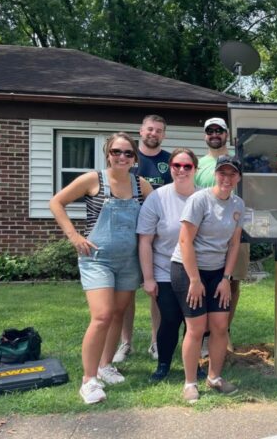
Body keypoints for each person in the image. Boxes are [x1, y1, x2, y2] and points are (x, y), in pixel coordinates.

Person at [49, 132, 153, 404]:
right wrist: (74, 236)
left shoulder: (141, 185)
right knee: (102, 316)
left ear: (134, 157)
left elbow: (158, 214)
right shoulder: (93, 180)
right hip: (97, 260)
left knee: (118, 313)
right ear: (108, 154)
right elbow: (56, 202)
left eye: (128, 153)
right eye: (116, 152)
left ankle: (106, 365)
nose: (122, 157)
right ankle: (89, 380)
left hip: (128, 261)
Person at [171, 155, 244, 402]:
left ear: (238, 178)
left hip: (217, 272)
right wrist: (194, 279)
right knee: (196, 328)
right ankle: (190, 382)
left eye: (232, 174)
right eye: (222, 173)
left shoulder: (238, 205)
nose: (226, 178)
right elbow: (184, 240)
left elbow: (234, 244)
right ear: (215, 174)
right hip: (188, 269)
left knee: (220, 326)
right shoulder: (199, 200)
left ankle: (214, 378)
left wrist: (226, 278)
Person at [136, 148, 200, 382]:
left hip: (196, 272)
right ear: (170, 168)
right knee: (170, 319)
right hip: (165, 270)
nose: (181, 170)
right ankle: (163, 364)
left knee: (193, 322)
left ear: (195, 169)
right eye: (176, 166)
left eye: (187, 166)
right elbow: (145, 240)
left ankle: (194, 366)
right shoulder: (157, 198)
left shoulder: (203, 197)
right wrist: (149, 277)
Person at [114, 114, 172, 363]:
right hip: (127, 234)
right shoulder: (127, 158)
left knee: (155, 291)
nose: (154, 134)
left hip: (157, 236)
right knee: (126, 293)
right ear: (141, 131)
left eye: (159, 130)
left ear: (163, 135)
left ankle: (155, 342)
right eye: (150, 129)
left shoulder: (169, 162)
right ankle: (125, 343)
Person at [195, 117, 248, 355]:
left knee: (232, 282)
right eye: (210, 131)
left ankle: (224, 331)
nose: (215, 134)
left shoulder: (240, 159)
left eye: (219, 130)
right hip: (205, 234)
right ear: (206, 135)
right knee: (205, 284)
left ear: (227, 134)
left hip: (235, 230)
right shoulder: (199, 164)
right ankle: (205, 335)